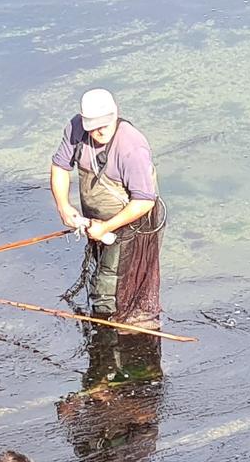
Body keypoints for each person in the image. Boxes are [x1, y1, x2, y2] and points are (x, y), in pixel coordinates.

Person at [49, 88, 166, 330]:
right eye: (93, 125)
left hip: (132, 223)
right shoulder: (76, 129)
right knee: (102, 272)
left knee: (108, 287)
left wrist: (107, 227)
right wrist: (63, 206)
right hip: (97, 222)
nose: (100, 131)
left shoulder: (131, 147)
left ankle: (108, 341)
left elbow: (145, 201)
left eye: (105, 124)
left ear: (116, 114)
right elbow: (60, 166)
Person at [56, 326, 164, 462]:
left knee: (99, 343)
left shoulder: (86, 457)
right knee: (133, 336)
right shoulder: (137, 456)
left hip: (98, 387)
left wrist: (66, 410)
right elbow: (148, 414)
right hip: (134, 380)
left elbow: (71, 425)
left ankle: (100, 320)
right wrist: (112, 400)